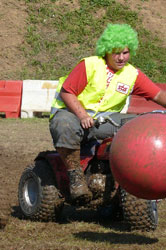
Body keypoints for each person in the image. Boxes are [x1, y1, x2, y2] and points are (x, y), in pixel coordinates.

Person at [49, 23, 166, 204]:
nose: (121, 58)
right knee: (63, 124)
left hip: (105, 121)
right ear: (106, 51)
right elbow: (67, 92)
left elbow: (158, 94)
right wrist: (82, 115)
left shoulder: (132, 74)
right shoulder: (90, 65)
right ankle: (76, 178)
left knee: (138, 126)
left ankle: (122, 180)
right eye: (116, 53)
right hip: (71, 114)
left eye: (125, 53)